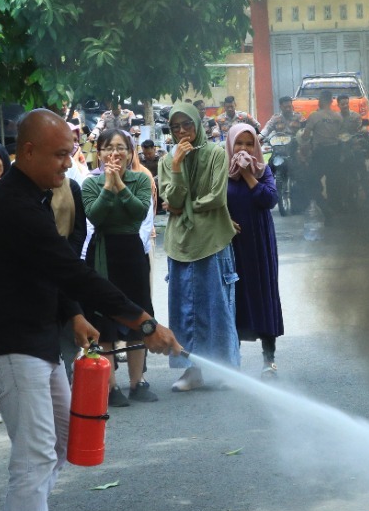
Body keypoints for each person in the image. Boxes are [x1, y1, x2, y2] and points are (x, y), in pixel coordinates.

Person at [0, 108, 180, 511]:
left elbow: (48, 270)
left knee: (61, 437)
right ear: (28, 152)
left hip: (37, 338)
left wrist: (74, 315)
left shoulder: (34, 196)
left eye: (71, 152)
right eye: (61, 154)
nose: (70, 162)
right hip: (8, 343)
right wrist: (144, 323)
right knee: (37, 451)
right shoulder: (16, 206)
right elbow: (72, 270)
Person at [157, 104, 239, 390]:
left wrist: (184, 206)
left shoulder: (216, 153)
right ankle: (191, 370)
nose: (181, 132)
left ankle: (227, 369)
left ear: (197, 125)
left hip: (212, 241)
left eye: (186, 125)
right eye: (175, 127)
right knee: (185, 310)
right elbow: (173, 202)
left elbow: (216, 197)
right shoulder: (168, 161)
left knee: (217, 307)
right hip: (180, 245)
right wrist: (177, 166)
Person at [82, 128, 156, 406]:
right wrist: (108, 187)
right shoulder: (90, 183)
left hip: (131, 252)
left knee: (139, 313)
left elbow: (138, 212)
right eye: (108, 148)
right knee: (104, 318)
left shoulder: (140, 179)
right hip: (102, 253)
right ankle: (110, 386)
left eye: (121, 147)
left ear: (130, 152)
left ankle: (138, 381)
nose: (115, 153)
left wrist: (120, 185)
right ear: (99, 153)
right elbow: (96, 215)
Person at [225, 124, 284, 379]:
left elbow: (269, 200)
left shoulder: (263, 170)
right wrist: (224, 221)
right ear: (230, 145)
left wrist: (249, 175)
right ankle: (232, 360)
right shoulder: (221, 173)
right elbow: (214, 204)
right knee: (234, 298)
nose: (244, 149)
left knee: (263, 294)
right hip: (231, 245)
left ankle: (268, 359)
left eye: (250, 144)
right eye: (239, 144)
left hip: (260, 244)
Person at [303, 91, 345, 210]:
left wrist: (304, 138)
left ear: (320, 101)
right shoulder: (338, 117)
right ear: (332, 101)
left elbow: (305, 136)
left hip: (320, 153)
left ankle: (324, 206)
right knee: (333, 182)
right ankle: (334, 207)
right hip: (335, 152)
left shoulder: (314, 116)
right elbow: (341, 135)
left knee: (311, 180)